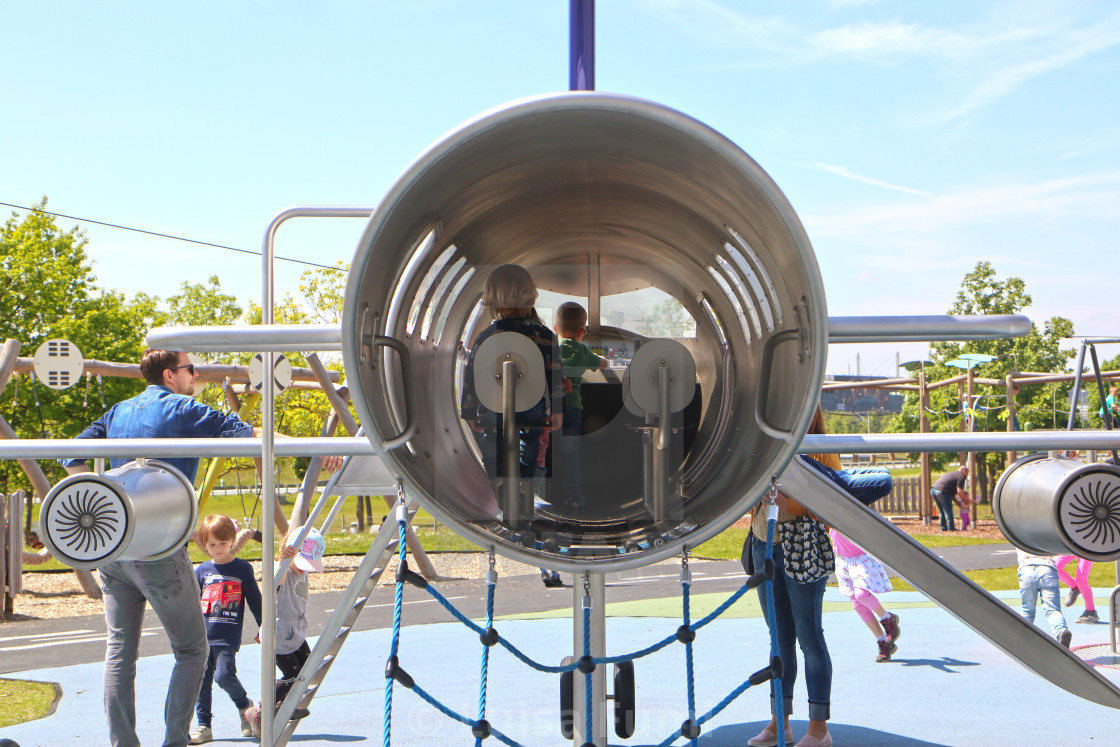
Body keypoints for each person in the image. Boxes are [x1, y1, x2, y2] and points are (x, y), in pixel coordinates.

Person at [59, 348, 341, 747]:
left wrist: (108, 503)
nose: (197, 376)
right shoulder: (180, 408)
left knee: (120, 653)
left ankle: (124, 743)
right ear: (171, 374)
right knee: (193, 651)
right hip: (157, 545)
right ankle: (174, 742)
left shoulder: (118, 411)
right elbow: (252, 434)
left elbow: (71, 456)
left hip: (116, 546)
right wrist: (314, 444)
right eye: (192, 369)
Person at [744, 407, 840, 747]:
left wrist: (793, 506)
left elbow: (834, 500)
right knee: (778, 638)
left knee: (809, 637)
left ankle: (818, 729)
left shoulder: (820, 446)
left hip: (802, 548)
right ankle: (778, 721)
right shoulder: (765, 441)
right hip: (763, 544)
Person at [459, 265, 565, 500]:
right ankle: (524, 494)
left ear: (492, 301)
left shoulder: (486, 337)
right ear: (530, 297)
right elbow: (554, 376)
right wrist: (557, 409)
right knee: (529, 453)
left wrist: (467, 412)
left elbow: (472, 377)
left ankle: (502, 494)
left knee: (492, 452)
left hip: (492, 411)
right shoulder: (545, 335)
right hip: (531, 412)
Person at [246, 525, 324, 738]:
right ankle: (260, 710)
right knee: (292, 674)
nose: (304, 569)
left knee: (308, 667)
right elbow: (273, 582)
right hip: (279, 634)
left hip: (295, 631)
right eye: (302, 564)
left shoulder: (302, 570)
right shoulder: (282, 569)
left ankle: (284, 704)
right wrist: (285, 560)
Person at [190, 515, 262, 744]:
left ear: (232, 540)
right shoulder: (201, 571)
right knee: (202, 683)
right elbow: (192, 605)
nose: (218, 549)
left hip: (226, 638)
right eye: (212, 544)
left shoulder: (242, 569)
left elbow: (255, 600)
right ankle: (203, 726)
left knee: (223, 675)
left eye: (223, 543)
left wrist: (264, 625)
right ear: (204, 545)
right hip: (202, 638)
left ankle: (245, 706)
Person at [553, 301, 607, 512]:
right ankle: (573, 496)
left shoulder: (552, 349)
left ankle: (540, 492)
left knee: (544, 449)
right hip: (572, 408)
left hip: (550, 408)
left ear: (556, 329)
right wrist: (605, 357)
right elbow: (602, 363)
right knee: (571, 452)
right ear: (582, 332)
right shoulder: (582, 351)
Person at [829, 528, 902, 663]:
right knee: (858, 605)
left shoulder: (850, 508)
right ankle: (883, 643)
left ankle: (887, 618)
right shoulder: (828, 509)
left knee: (861, 595)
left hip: (859, 560)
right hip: (842, 561)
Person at [1016, 550, 1072, 647]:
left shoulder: (1020, 535)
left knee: (1027, 610)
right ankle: (1061, 631)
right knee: (1052, 609)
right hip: (1047, 567)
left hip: (1026, 568)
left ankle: (1022, 640)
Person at [1057, 555, 1098, 624]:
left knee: (1081, 581)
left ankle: (1091, 612)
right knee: (1054, 568)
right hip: (1072, 546)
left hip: (1086, 550)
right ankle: (1075, 587)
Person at [931, 465, 969, 531]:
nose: (967, 475)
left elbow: (951, 492)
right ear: (963, 471)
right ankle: (951, 528)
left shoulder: (953, 474)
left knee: (942, 510)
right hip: (942, 491)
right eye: (967, 473)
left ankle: (943, 527)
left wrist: (957, 502)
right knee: (948, 510)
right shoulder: (961, 477)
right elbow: (959, 491)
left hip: (933, 490)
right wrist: (967, 501)